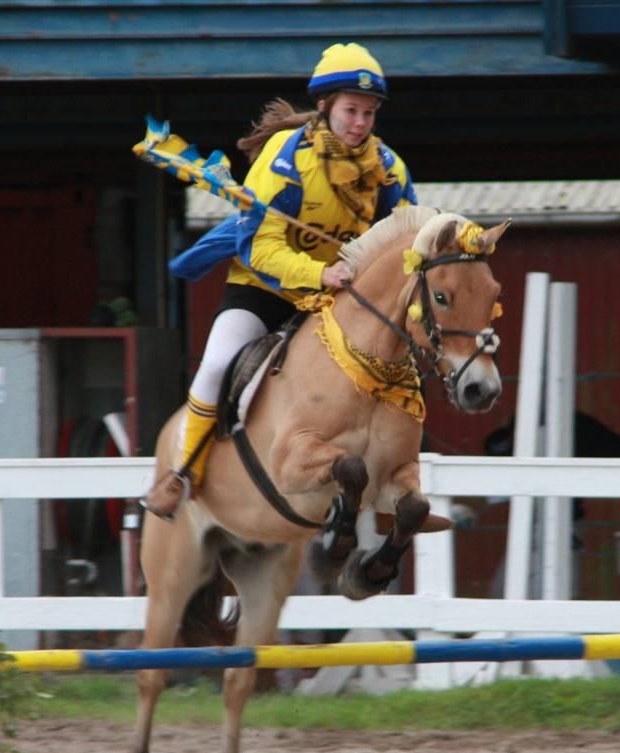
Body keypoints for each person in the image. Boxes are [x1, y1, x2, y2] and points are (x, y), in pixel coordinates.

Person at [143, 42, 418, 519]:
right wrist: (320, 272)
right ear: (327, 107)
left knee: (404, 364)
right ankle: (182, 473)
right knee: (216, 365)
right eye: (352, 110)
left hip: (340, 300)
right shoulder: (285, 159)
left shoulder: (389, 170)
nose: (360, 123)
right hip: (265, 289)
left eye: (369, 114)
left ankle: (401, 487)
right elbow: (259, 247)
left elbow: (407, 241)